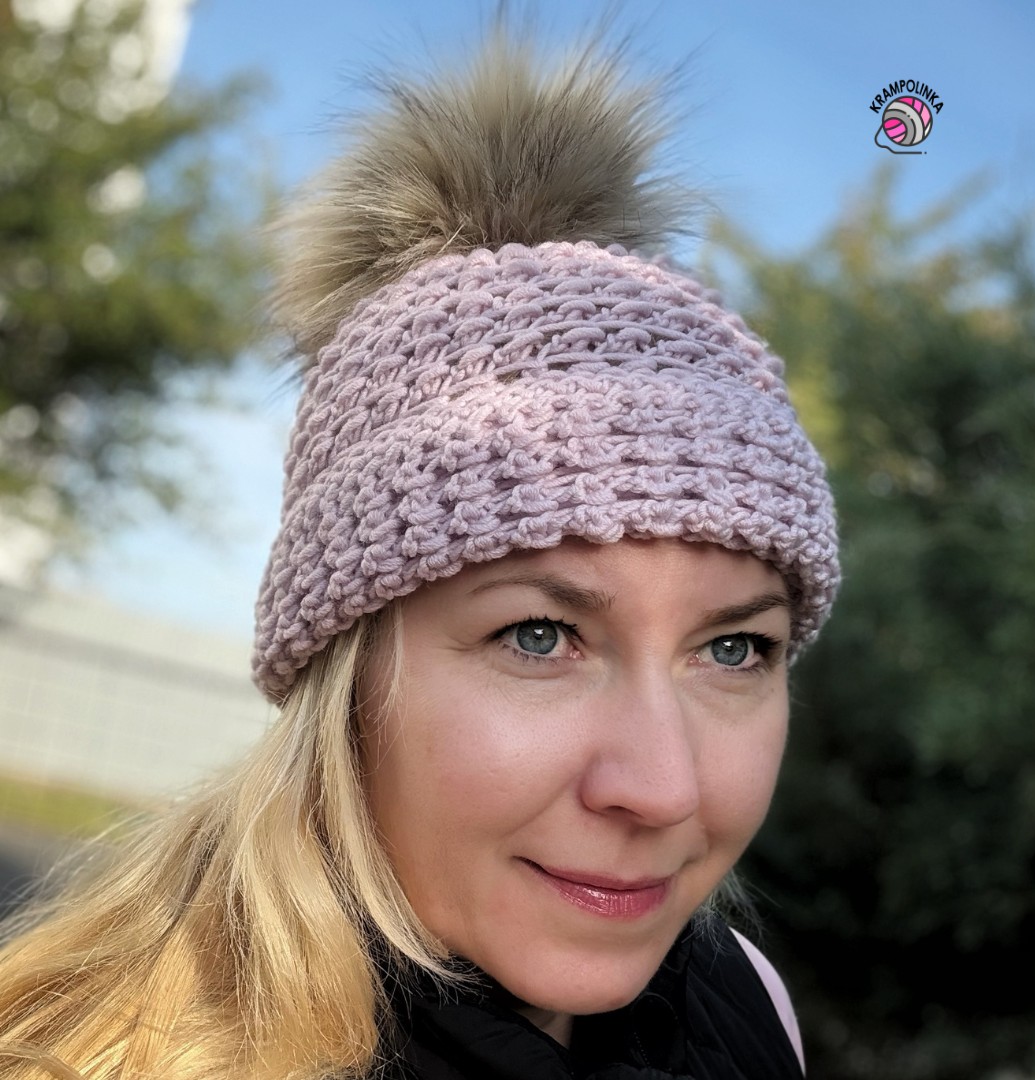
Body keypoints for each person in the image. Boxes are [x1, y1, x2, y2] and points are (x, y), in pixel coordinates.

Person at [0, 24, 838, 1080]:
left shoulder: (749, 1005)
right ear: (344, 674)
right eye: (541, 635)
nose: (664, 787)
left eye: (735, 650)